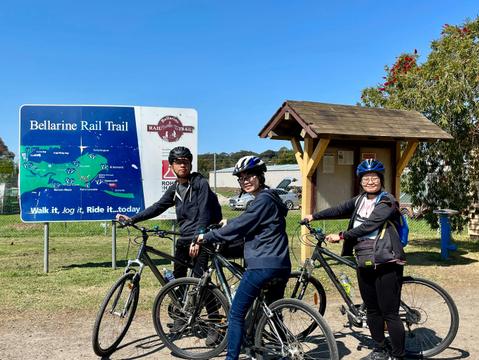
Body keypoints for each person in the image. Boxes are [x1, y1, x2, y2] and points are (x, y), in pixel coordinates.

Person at [304, 159, 406, 360]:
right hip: (364, 259)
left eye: (374, 178)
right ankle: (380, 348)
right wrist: (313, 216)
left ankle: (398, 355)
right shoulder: (359, 200)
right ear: (360, 181)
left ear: (381, 179)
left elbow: (371, 225)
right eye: (366, 178)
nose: (370, 181)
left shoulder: (388, 201)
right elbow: (339, 209)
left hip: (386, 261)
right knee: (372, 309)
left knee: (389, 313)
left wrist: (341, 235)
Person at [195, 155, 291, 360]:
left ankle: (232, 358)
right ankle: (283, 349)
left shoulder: (262, 200)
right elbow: (251, 221)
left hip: (262, 264)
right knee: (273, 313)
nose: (246, 180)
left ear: (260, 176)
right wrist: (228, 222)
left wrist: (208, 236)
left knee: (236, 314)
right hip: (281, 264)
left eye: (250, 176)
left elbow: (242, 226)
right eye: (241, 178)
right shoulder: (270, 198)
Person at [116, 146, 222, 280]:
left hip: (201, 238)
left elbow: (204, 213)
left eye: (186, 162)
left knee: (199, 281)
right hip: (184, 238)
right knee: (178, 279)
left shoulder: (200, 184)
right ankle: (179, 301)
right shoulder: (175, 188)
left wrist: (197, 239)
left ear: (190, 164)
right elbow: (158, 207)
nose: (182, 165)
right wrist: (132, 219)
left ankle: (212, 301)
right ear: (171, 166)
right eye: (178, 162)